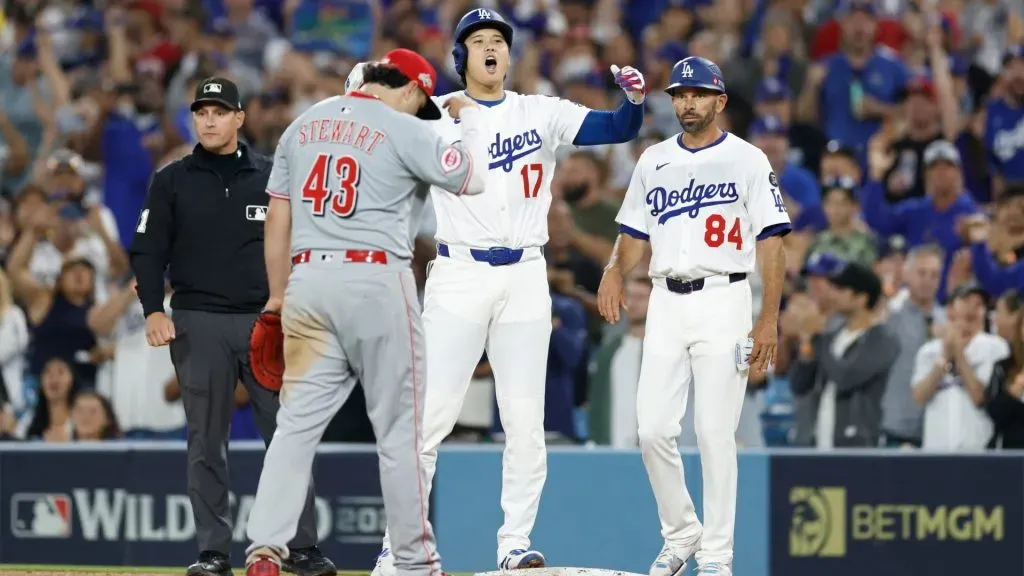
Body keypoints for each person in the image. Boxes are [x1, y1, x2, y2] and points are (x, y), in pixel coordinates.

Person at [367, 8, 647, 574]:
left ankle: (514, 545)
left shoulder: (538, 111)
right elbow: (370, 120)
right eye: (478, 41)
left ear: (509, 55)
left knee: (525, 419)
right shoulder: (435, 113)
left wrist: (634, 104)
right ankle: (401, 549)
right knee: (429, 419)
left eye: (499, 40)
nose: (491, 48)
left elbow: (614, 129)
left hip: (525, 272)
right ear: (461, 57)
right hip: (459, 271)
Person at [243, 49, 490, 576]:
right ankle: (415, 562)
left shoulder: (302, 124)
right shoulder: (407, 129)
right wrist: (466, 118)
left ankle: (265, 549)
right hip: (376, 278)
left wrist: (277, 297)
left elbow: (277, 218)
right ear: (412, 89)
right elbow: (472, 177)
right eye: (421, 102)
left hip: (308, 281)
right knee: (400, 432)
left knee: (294, 428)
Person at [128, 77, 335, 576]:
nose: (210, 120)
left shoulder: (273, 175)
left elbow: (305, 246)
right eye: (202, 112)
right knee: (205, 440)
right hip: (198, 322)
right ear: (194, 118)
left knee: (288, 436)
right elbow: (147, 250)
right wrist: (154, 310)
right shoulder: (171, 180)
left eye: (220, 111)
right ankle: (212, 552)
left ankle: (300, 547)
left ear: (240, 118)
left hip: (266, 321)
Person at [597, 56, 790, 576]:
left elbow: (773, 243)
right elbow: (634, 234)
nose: (687, 102)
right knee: (653, 430)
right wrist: (616, 268)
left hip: (725, 299)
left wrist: (768, 318)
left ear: (719, 101)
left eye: (698, 94)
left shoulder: (748, 160)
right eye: (680, 94)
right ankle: (682, 532)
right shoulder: (653, 159)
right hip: (665, 299)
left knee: (712, 432)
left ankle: (717, 557)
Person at [790, 262, 899, 448]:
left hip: (857, 445)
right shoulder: (833, 336)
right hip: (821, 439)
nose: (832, 294)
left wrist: (819, 338)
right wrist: (807, 344)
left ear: (861, 298)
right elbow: (800, 384)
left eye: (840, 288)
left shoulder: (882, 339)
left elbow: (845, 377)